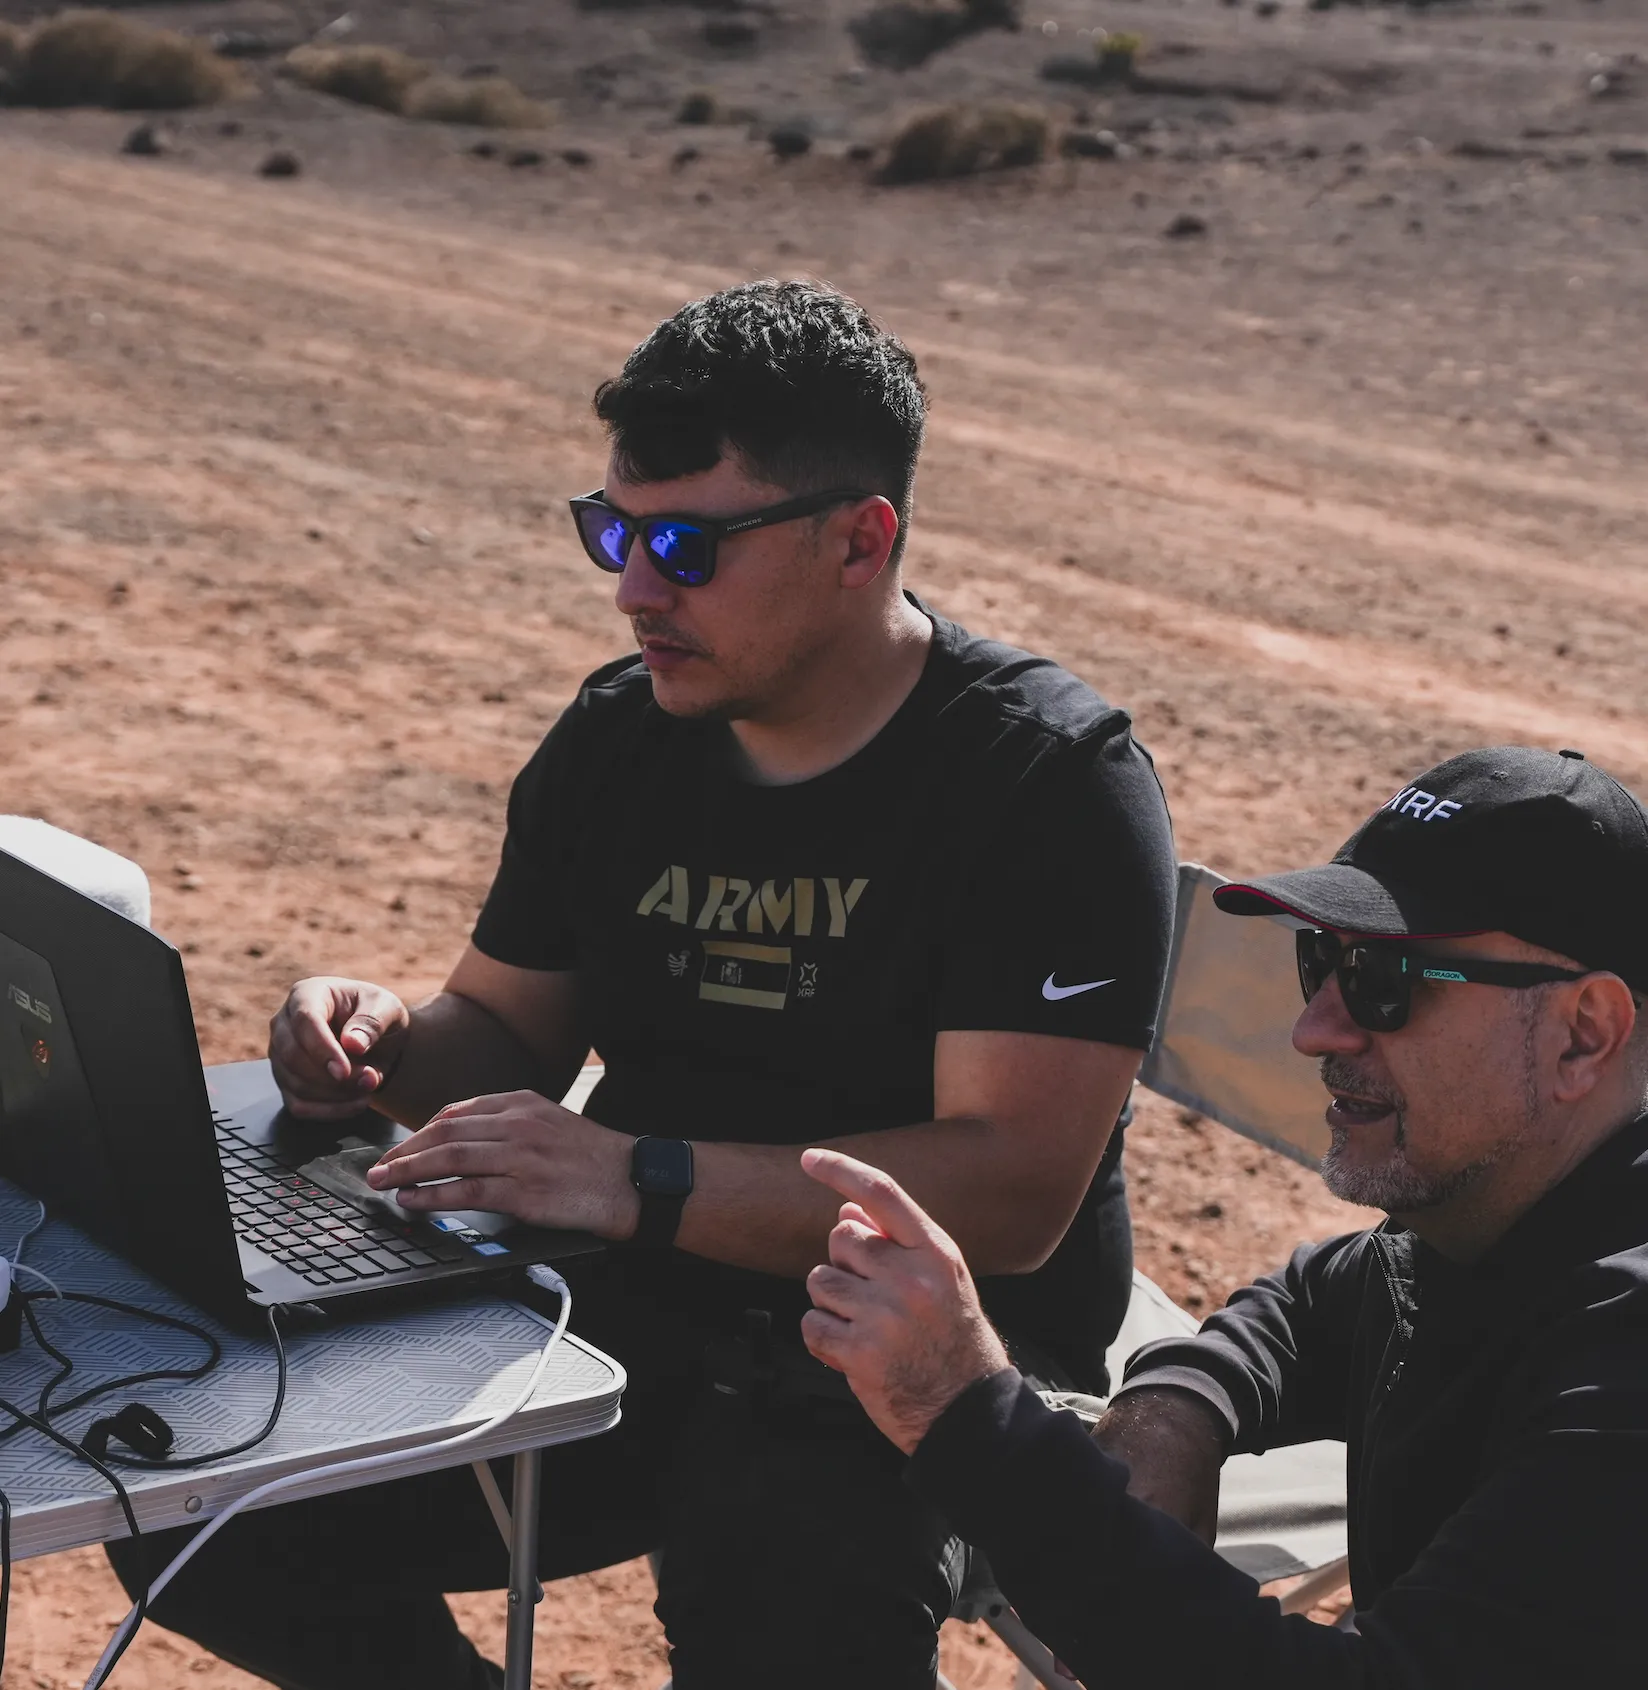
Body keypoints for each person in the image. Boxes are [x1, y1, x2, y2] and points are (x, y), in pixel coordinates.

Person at [109, 280, 1178, 1689]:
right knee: (202, 1505)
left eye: (685, 543)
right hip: (641, 1290)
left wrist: (638, 1176)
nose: (632, 588)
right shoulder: (626, 735)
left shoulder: (1043, 782)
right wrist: (374, 1040)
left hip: (932, 1350)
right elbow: (505, 1026)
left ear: (863, 540)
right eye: (609, 530)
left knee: (776, 1605)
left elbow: (1010, 1195)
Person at [802, 744, 1648, 1687]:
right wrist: (1181, 1406)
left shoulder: (1623, 1368)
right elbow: (1315, 1302)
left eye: (1385, 980)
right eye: (1318, 959)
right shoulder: (1502, 1213)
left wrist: (966, 1418)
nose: (1315, 1029)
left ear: (1584, 1034)